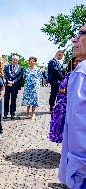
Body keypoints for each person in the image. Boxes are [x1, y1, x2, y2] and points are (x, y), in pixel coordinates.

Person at [58, 25, 86, 189]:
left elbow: (79, 125)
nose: (74, 39)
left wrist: (77, 172)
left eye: (80, 34)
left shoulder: (81, 72)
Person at [49, 57, 81, 143]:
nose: (77, 63)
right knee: (64, 127)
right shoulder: (69, 75)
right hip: (65, 105)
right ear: (73, 63)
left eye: (80, 61)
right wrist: (68, 90)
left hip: (79, 106)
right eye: (76, 61)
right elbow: (61, 90)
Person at [3, 55, 23, 119]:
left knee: (13, 100)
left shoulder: (20, 68)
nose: (14, 61)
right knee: (6, 100)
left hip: (15, 86)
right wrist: (8, 81)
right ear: (12, 60)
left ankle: (12, 114)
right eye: (13, 59)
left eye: (16, 60)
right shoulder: (7, 67)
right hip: (8, 85)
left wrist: (13, 82)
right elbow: (5, 75)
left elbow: (20, 77)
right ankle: (5, 114)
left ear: (18, 61)